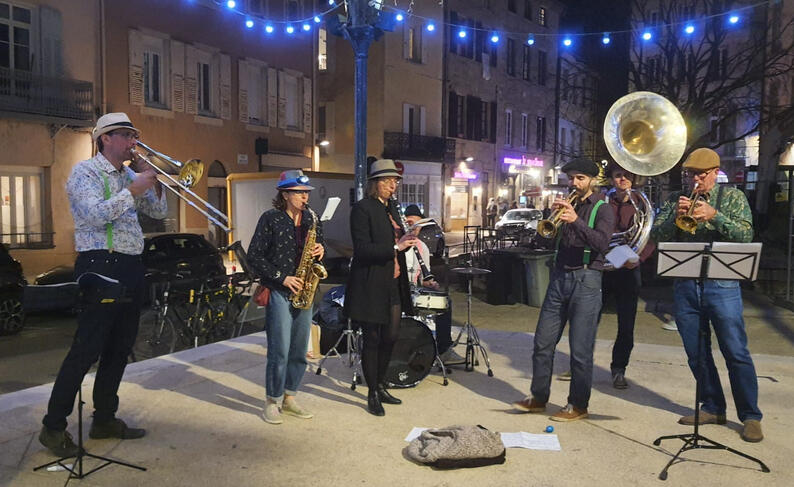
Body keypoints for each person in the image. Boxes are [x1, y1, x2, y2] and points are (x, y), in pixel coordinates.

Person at [39, 113, 167, 457]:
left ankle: (105, 417)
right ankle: (53, 427)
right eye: (126, 136)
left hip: (130, 264)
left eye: (133, 136)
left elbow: (158, 211)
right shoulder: (86, 172)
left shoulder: (128, 173)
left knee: (120, 347)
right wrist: (131, 191)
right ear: (106, 138)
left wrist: (151, 178)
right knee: (86, 348)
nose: (132, 142)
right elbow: (94, 214)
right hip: (100, 263)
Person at [650, 148, 763, 443]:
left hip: (723, 284)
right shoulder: (677, 199)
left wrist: (715, 215)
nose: (695, 180)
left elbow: (746, 235)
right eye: (691, 174)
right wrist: (672, 218)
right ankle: (712, 406)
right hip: (686, 285)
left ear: (715, 172)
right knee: (696, 352)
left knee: (735, 351)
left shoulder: (732, 198)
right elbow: (657, 238)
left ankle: (750, 415)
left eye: (701, 174)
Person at [511, 157, 615, 422]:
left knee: (580, 350)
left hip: (587, 279)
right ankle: (538, 397)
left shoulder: (603, 207)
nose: (575, 183)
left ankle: (578, 405)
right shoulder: (570, 203)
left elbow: (602, 244)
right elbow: (543, 238)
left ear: (592, 180)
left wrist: (576, 220)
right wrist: (549, 221)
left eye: (580, 178)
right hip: (559, 278)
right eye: (572, 178)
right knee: (542, 342)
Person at [248, 170, 325, 425]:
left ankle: (290, 398)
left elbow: (319, 245)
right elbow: (254, 256)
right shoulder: (270, 219)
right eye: (300, 193)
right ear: (285, 194)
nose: (305, 197)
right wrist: (282, 277)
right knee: (279, 350)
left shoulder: (311, 219)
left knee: (299, 350)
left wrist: (320, 249)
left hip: (304, 291)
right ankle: (272, 400)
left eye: (306, 193)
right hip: (281, 290)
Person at [345, 159, 418, 416]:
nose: (393, 185)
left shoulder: (392, 209)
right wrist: (396, 247)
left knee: (391, 335)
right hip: (371, 283)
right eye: (388, 181)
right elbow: (363, 249)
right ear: (375, 183)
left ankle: (382, 383)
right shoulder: (362, 209)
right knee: (373, 338)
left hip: (393, 281)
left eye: (395, 181)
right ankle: (372, 392)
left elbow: (396, 240)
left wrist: (408, 237)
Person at [601, 164, 655, 389]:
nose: (622, 179)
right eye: (618, 175)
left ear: (634, 178)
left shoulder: (642, 204)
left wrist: (639, 257)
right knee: (586, 318)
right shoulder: (602, 202)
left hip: (629, 268)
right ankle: (579, 363)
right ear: (612, 179)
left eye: (627, 175)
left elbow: (651, 235)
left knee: (626, 324)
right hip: (603, 266)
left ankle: (619, 369)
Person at [402, 204, 465, 365]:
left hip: (415, 291)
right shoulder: (398, 245)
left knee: (445, 302)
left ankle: (444, 349)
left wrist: (429, 283)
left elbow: (423, 277)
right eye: (410, 225)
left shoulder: (422, 247)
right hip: (398, 292)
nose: (413, 230)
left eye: (417, 226)